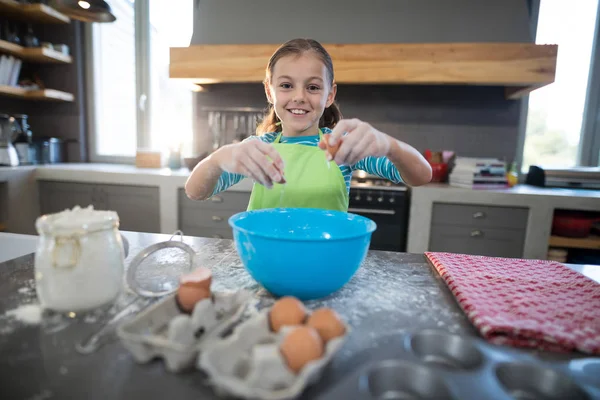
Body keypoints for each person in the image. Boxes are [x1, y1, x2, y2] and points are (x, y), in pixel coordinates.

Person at [185, 38, 432, 211]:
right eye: (286, 85)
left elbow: (421, 176)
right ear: (270, 92)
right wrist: (217, 159)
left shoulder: (342, 148)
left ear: (330, 95)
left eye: (313, 87)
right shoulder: (257, 150)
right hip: (268, 263)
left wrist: (390, 145)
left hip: (323, 265)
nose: (299, 97)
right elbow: (196, 192)